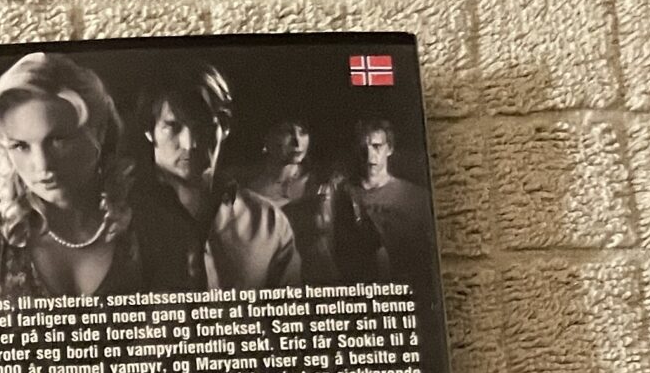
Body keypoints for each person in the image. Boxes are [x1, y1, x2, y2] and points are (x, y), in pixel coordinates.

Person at [0, 51, 141, 300]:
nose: (42, 164)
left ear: (98, 133)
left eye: (58, 140)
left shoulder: (147, 230)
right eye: (20, 146)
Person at [130, 67, 302, 292]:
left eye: (202, 125)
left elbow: (293, 311)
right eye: (173, 126)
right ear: (149, 130)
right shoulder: (121, 219)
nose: (190, 143)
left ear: (224, 127)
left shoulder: (268, 223)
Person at [237, 114, 379, 286]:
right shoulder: (243, 194)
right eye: (287, 132)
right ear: (266, 137)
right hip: (273, 293)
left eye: (303, 132)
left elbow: (368, 248)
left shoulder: (328, 184)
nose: (297, 141)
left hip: (324, 291)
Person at [350, 115, 436, 290]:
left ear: (389, 149)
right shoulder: (342, 196)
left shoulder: (416, 197)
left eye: (377, 147)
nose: (369, 155)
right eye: (363, 147)